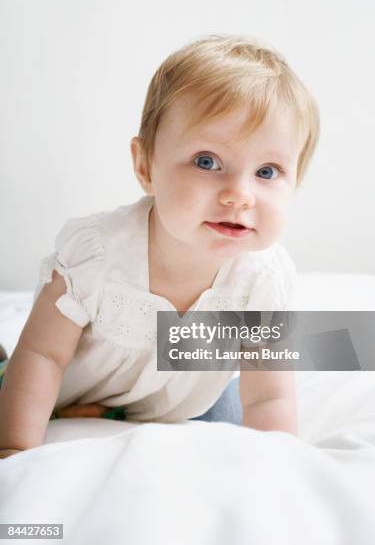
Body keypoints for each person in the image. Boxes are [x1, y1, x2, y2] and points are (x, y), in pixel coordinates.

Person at [0, 34, 320, 459]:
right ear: (145, 167)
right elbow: (43, 355)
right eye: (207, 162)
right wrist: (14, 449)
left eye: (267, 171)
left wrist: (278, 466)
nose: (239, 194)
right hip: (62, 388)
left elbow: (269, 398)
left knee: (230, 409)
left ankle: (113, 415)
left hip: (173, 406)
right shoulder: (97, 254)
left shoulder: (264, 277)